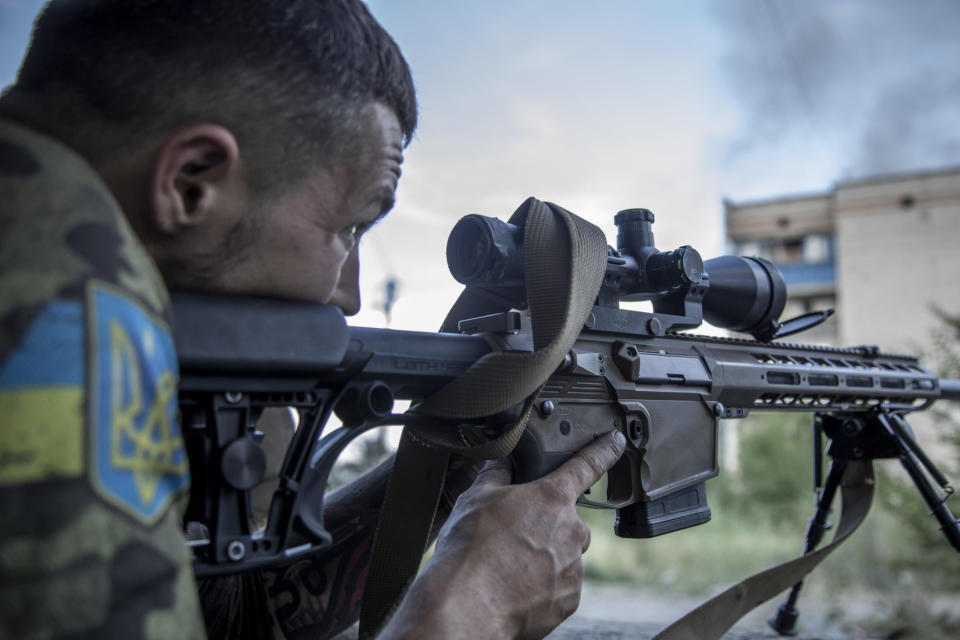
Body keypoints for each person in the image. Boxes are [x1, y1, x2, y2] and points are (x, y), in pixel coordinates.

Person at [0, 1, 627, 639]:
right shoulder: (53, 311)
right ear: (192, 182)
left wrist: (486, 423)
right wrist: (471, 613)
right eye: (348, 227)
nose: (349, 295)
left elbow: (233, 617)